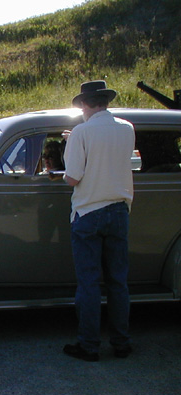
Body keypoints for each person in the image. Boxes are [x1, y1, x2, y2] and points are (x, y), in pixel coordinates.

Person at [62, 80, 136, 362]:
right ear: (104, 101)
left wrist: (71, 144)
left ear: (83, 104)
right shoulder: (126, 128)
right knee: (118, 281)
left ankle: (89, 345)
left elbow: (73, 178)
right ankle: (121, 343)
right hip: (119, 209)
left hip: (89, 211)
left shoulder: (81, 132)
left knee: (89, 283)